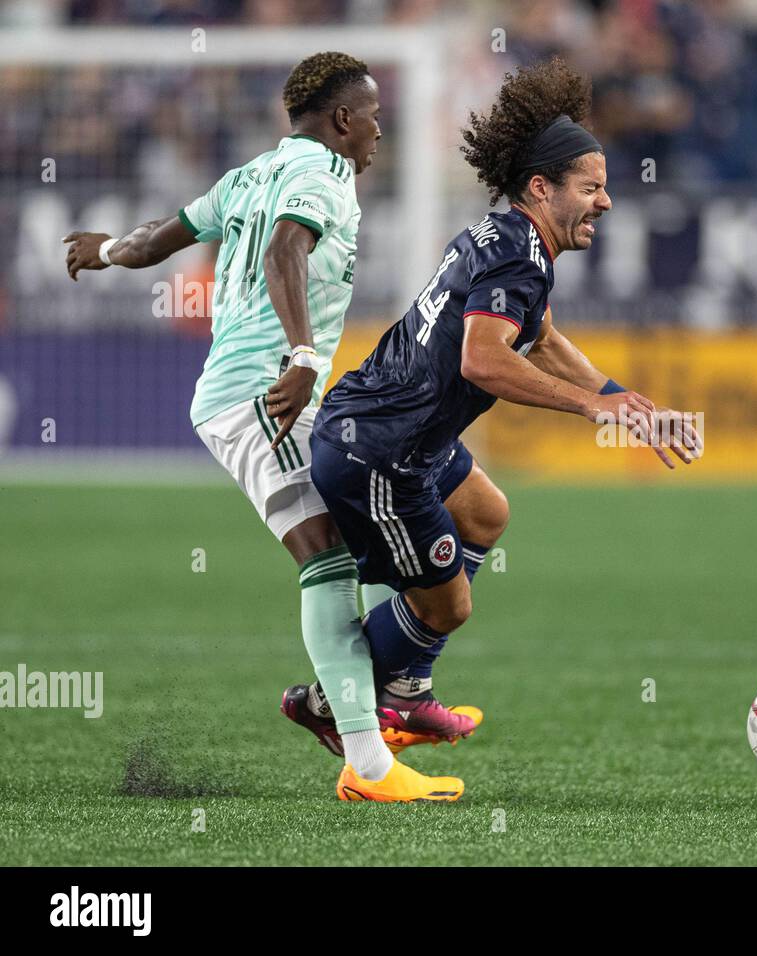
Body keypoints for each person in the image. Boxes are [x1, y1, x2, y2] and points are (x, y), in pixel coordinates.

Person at [285, 57, 700, 799]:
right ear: (543, 188)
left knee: (486, 510)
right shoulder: (522, 255)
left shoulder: (508, 235)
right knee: (450, 604)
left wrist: (620, 395)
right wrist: (591, 409)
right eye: (592, 187)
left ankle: (403, 691)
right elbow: (483, 360)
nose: (605, 202)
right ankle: (333, 703)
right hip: (381, 451)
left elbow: (537, 338)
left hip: (394, 428)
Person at [64, 52, 472, 803]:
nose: (381, 128)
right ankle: (368, 760)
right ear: (342, 118)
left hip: (265, 390)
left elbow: (162, 238)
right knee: (327, 559)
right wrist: (303, 357)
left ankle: (360, 707)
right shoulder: (321, 176)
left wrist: (106, 251)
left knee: (347, 545)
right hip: (263, 392)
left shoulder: (251, 173)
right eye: (374, 114)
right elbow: (287, 249)